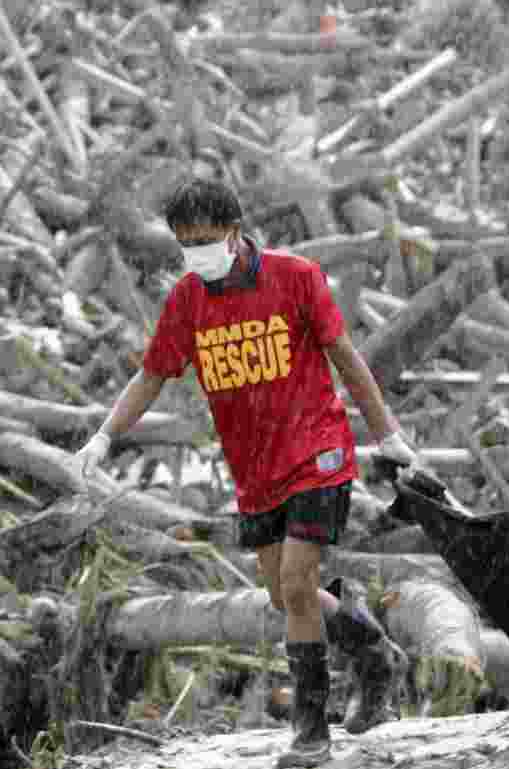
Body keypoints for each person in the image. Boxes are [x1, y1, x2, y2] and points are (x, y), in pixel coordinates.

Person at [74, 178, 414, 769]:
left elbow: (347, 359)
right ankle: (372, 649)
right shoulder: (187, 300)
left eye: (205, 240)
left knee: (299, 579)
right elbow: (152, 375)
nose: (195, 252)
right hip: (254, 468)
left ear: (235, 233)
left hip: (317, 449)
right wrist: (105, 435)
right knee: (284, 595)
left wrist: (388, 435)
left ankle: (311, 732)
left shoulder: (295, 278)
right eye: (185, 243)